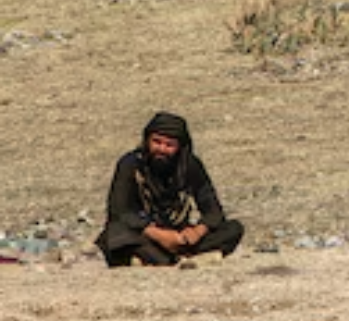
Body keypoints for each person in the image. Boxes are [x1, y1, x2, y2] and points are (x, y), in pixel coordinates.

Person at [96, 112, 246, 267]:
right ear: (147, 140)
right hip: (145, 232)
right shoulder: (130, 164)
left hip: (177, 233)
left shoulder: (190, 166)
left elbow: (213, 210)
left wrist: (197, 232)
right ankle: (187, 258)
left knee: (233, 228)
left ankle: (166, 259)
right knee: (115, 234)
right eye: (156, 142)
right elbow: (120, 211)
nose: (161, 149)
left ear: (179, 147)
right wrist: (159, 235)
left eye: (169, 145)